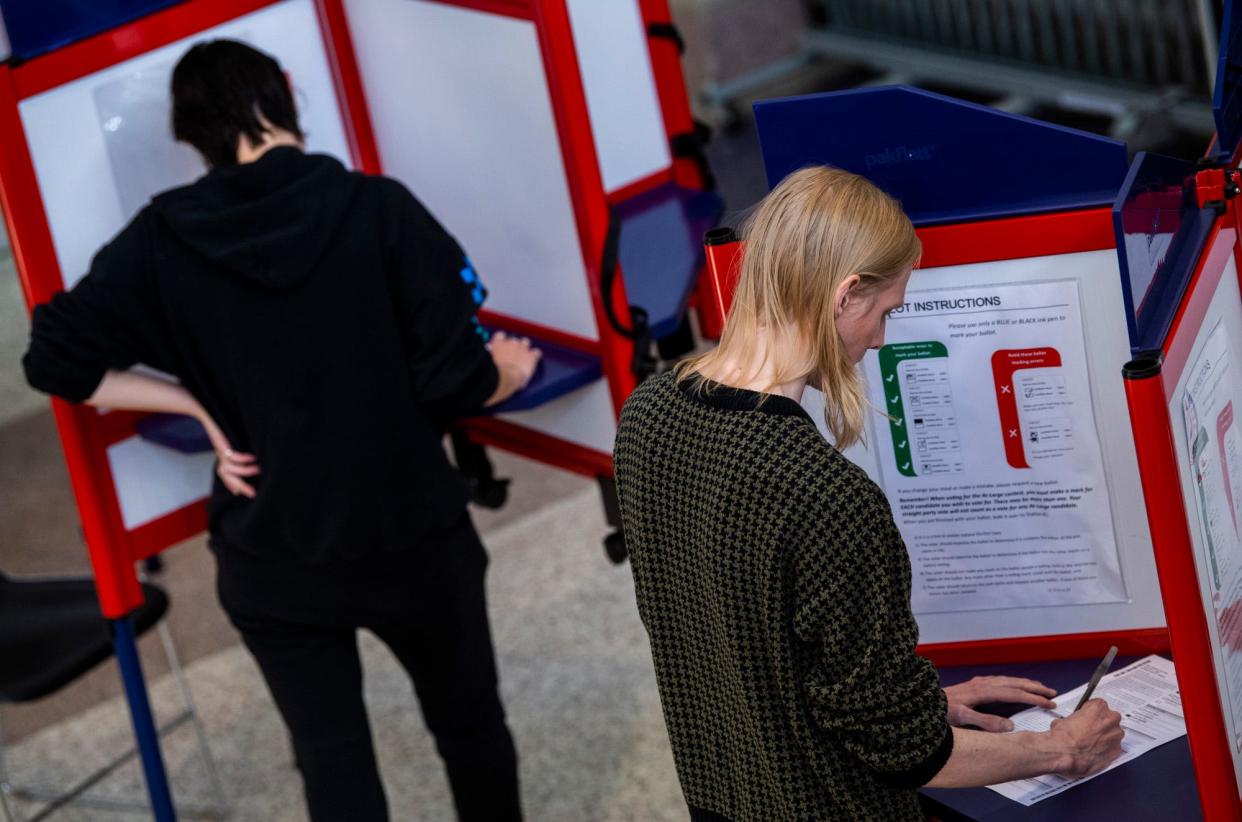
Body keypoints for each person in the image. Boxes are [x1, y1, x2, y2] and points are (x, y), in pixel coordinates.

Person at [22, 40, 537, 822]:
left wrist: (195, 404)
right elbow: (455, 380)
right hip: (413, 540)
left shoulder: (160, 241)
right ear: (288, 97)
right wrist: (504, 368)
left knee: (335, 773)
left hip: (275, 561)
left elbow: (54, 356)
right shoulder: (380, 209)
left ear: (192, 137)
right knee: (469, 727)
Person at [612, 166, 1125, 821]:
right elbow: (911, 757)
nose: (879, 340)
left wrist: (918, 704)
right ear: (845, 295)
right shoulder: (826, 496)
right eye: (884, 312)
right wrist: (1061, 748)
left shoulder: (648, 412)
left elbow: (734, 644)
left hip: (722, 801)